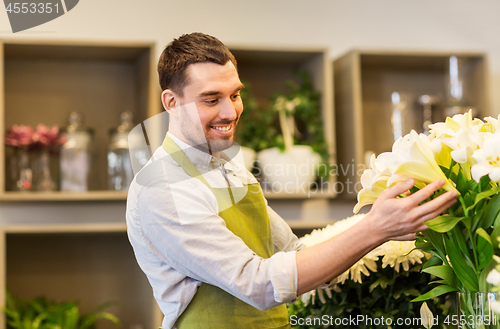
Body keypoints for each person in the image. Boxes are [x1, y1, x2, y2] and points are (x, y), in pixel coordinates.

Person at [126, 32, 458, 329]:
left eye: (235, 95)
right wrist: (373, 228)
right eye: (211, 99)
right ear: (171, 102)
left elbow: (297, 254)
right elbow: (257, 284)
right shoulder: (163, 187)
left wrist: (390, 223)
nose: (230, 112)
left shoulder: (231, 169)